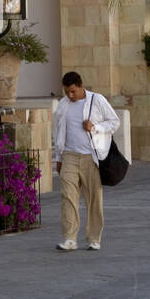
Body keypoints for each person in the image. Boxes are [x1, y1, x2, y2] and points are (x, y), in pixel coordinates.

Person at [52, 71, 119, 252]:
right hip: (69, 156)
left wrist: (95, 127)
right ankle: (70, 239)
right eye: (67, 92)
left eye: (73, 91)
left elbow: (114, 122)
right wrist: (58, 158)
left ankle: (94, 238)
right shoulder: (63, 105)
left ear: (81, 86)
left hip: (91, 157)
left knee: (93, 199)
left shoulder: (97, 100)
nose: (70, 95)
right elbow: (59, 132)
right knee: (67, 197)